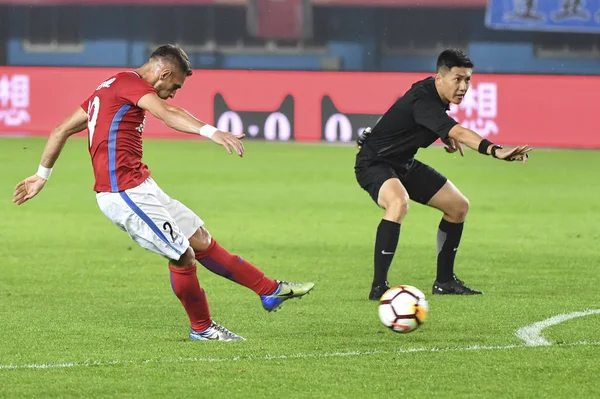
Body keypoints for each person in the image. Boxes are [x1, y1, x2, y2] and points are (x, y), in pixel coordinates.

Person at [12, 44, 314, 341]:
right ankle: (203, 328)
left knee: (200, 239)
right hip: (123, 192)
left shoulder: (111, 86)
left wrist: (42, 175)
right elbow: (167, 113)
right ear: (164, 72)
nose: (173, 92)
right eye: (176, 85)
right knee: (183, 255)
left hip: (142, 185)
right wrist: (212, 132)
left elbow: (60, 129)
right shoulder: (130, 83)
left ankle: (269, 290)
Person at [354, 48, 531, 300]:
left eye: (467, 79)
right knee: (398, 202)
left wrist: (443, 134)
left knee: (458, 206)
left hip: (403, 164)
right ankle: (379, 287)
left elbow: (415, 119)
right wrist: (495, 150)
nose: (463, 86)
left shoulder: (432, 94)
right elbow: (458, 131)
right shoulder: (424, 100)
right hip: (374, 163)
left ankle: (445, 282)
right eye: (457, 79)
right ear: (439, 78)